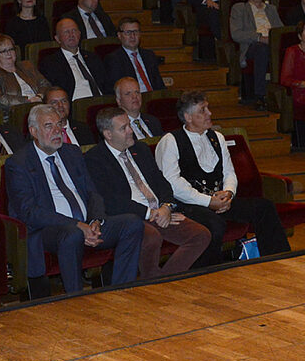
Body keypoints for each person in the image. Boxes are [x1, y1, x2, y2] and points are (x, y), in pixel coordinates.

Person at [4, 103, 144, 295]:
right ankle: (75, 298)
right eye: (48, 126)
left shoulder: (72, 153)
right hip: (48, 229)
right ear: (33, 131)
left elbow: (92, 193)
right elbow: (29, 211)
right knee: (72, 235)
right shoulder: (18, 163)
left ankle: (121, 291)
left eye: (59, 124)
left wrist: (95, 220)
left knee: (132, 223)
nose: (57, 131)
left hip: (85, 223)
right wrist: (78, 225)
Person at [155, 91, 291, 260]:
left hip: (218, 201)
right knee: (214, 224)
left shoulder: (217, 137)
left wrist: (228, 194)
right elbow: (173, 184)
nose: (209, 113)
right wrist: (208, 202)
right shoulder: (170, 141)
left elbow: (229, 172)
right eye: (203, 110)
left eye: (208, 108)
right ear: (188, 117)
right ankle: (212, 273)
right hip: (189, 205)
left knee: (263, 207)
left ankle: (279, 260)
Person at [87, 107, 212, 275]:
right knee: (151, 236)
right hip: (131, 216)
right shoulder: (94, 159)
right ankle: (154, 283)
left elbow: (162, 183)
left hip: (159, 211)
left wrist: (166, 207)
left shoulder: (141, 149)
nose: (130, 131)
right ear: (108, 134)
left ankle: (161, 282)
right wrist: (150, 213)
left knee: (201, 235)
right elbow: (111, 201)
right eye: (123, 128)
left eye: (129, 125)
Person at [0, 34, 46, 116]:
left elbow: (45, 84)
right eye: (3, 51)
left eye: (11, 49)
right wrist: (28, 101)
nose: (9, 53)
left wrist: (39, 96)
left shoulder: (27, 65)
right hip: (15, 114)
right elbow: (0, 99)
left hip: (40, 106)